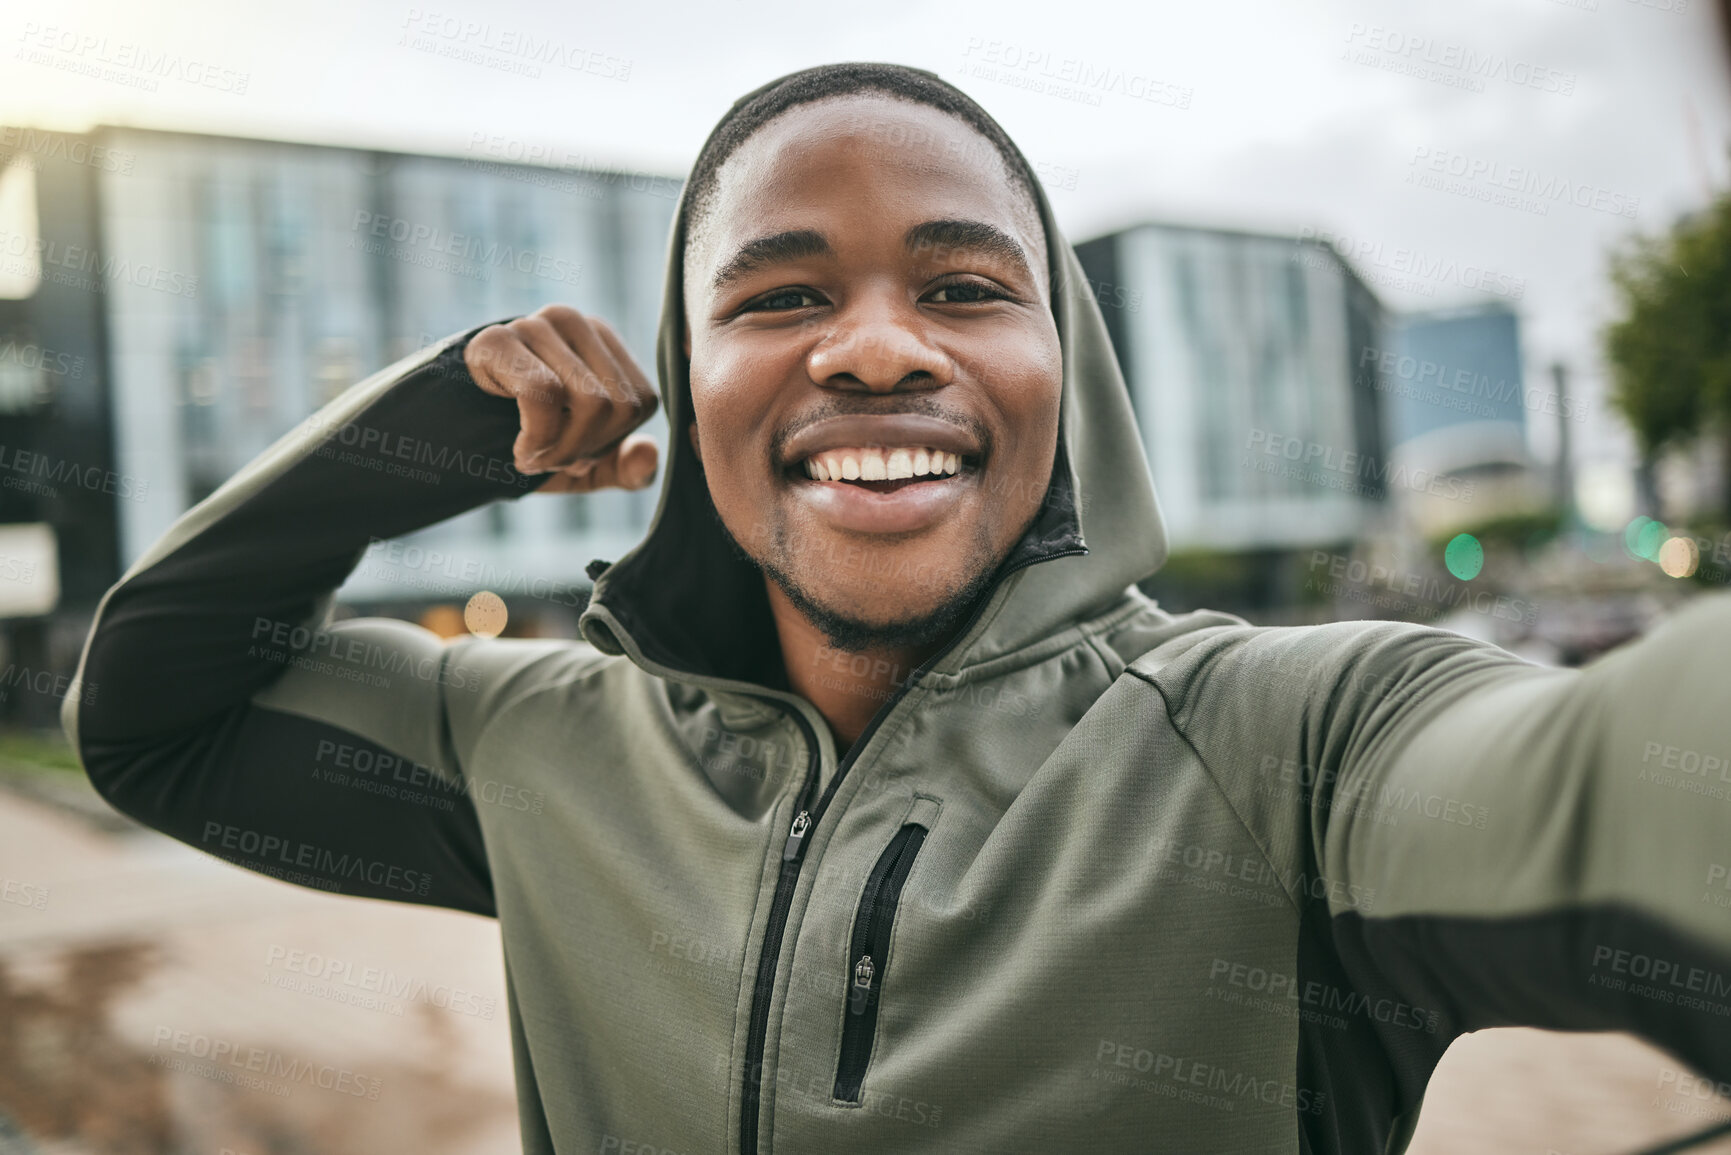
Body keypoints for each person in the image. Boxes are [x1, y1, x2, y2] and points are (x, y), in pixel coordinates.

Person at [63, 62, 1731, 1155]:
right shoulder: (528, 737)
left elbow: (1635, 783)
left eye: (962, 287)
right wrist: (414, 443)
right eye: (781, 296)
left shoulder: (1298, 747)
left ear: (1065, 374)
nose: (874, 347)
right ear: (689, 388)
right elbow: (155, 714)